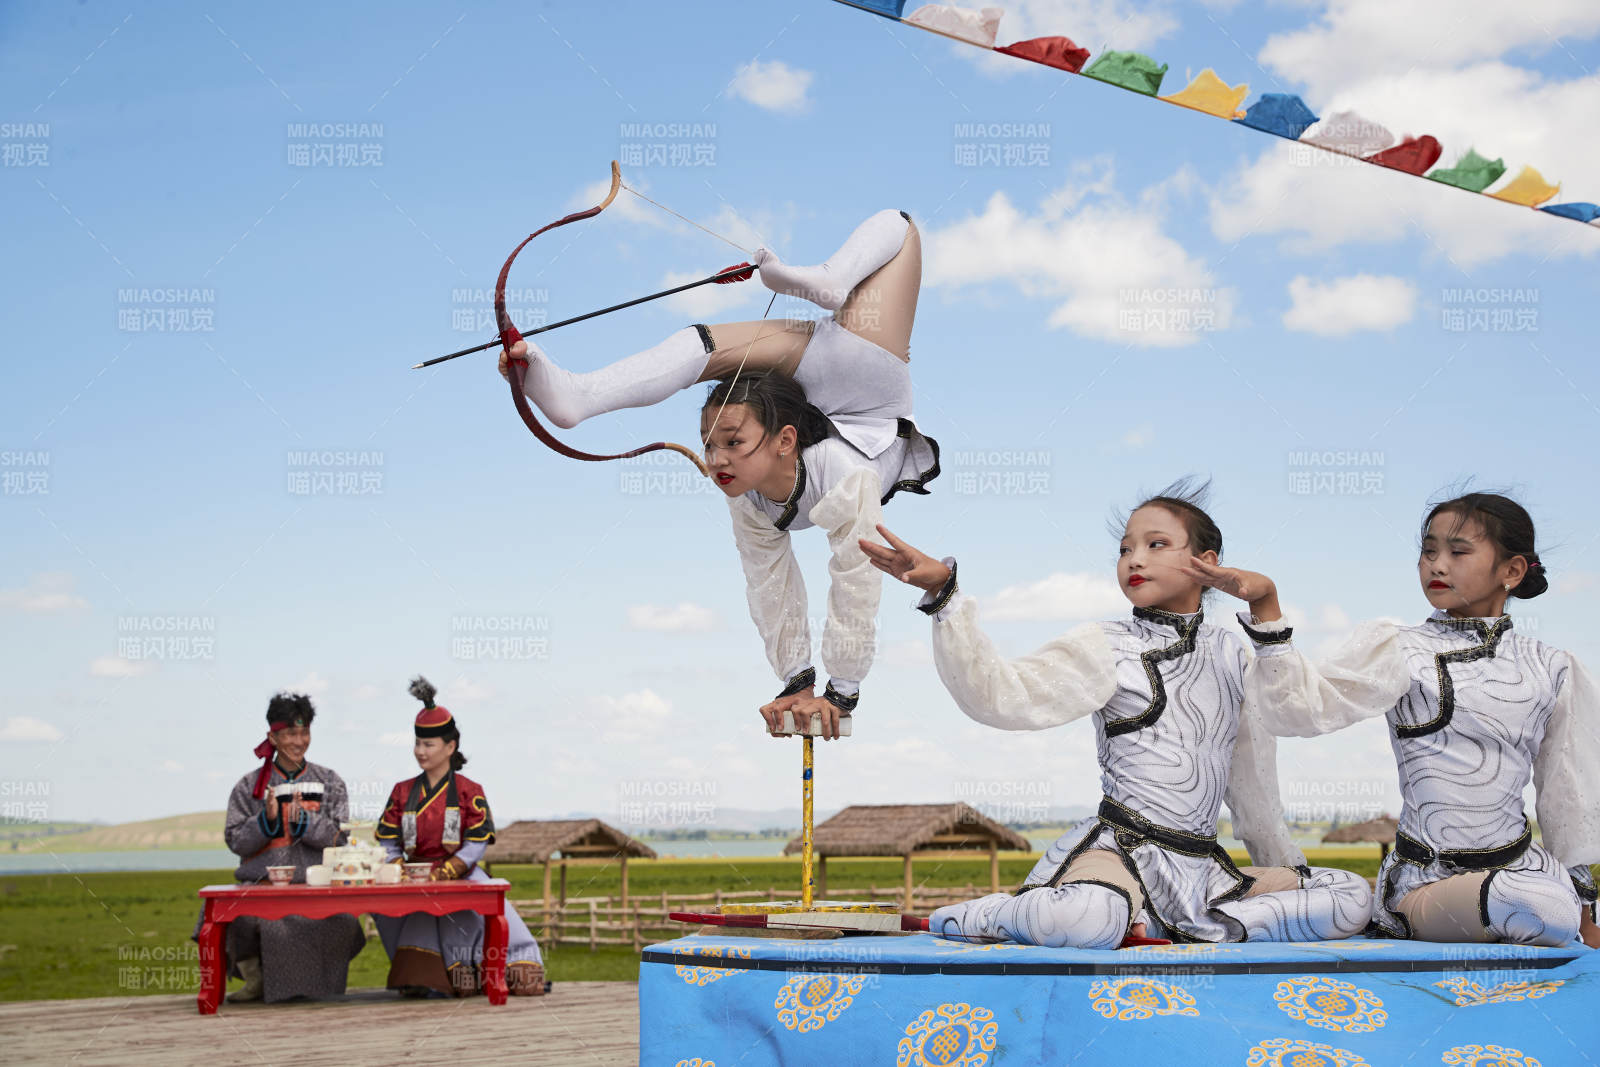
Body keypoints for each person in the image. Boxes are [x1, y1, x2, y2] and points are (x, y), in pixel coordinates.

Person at [861, 480, 1372, 947]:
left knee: (1350, 897)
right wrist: (945, 596)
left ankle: (1174, 923)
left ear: (1208, 562)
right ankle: (993, 915)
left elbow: (1261, 774)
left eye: (1155, 545)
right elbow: (999, 695)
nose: (1133, 558)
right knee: (1086, 918)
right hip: (1120, 852)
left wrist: (1267, 607)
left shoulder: (1234, 652)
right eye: (1125, 548)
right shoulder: (1106, 645)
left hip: (1202, 868)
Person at [500, 210, 939, 739]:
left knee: (903, 224)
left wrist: (842, 689)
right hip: (815, 387)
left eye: (732, 444)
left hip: (867, 391)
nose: (717, 461)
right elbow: (768, 582)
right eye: (710, 445)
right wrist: (795, 679)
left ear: (783, 443)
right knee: (705, 346)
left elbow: (856, 579)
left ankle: (832, 277)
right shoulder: (747, 494)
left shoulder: (843, 475)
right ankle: (579, 397)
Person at [1215, 491, 1600, 948]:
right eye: (1428, 550)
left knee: (1549, 902)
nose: (1437, 565)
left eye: (1458, 552)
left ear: (1512, 571)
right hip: (1428, 886)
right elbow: (1300, 710)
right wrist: (1267, 610)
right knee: (1541, 908)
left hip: (1524, 870)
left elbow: (1568, 798)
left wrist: (1585, 905)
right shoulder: (1399, 649)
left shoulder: (1552, 667)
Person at [373, 677, 547, 996]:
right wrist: (398, 866)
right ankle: (423, 979)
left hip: (462, 871)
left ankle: (482, 972)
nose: (420, 751)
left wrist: (448, 872)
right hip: (414, 876)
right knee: (391, 908)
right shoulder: (402, 792)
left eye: (429, 744)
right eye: (417, 744)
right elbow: (388, 841)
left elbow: (476, 843)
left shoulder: (470, 792)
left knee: (482, 904)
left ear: (450, 747)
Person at [198, 692, 365, 1002]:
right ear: (272, 737)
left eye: (304, 732)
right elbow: (235, 840)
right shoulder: (249, 787)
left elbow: (340, 838)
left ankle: (321, 991)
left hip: (317, 888)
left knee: (344, 922)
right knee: (245, 917)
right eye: (290, 733)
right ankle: (257, 981)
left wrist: (303, 820)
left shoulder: (330, 781)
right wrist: (267, 819)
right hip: (263, 886)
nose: (298, 741)